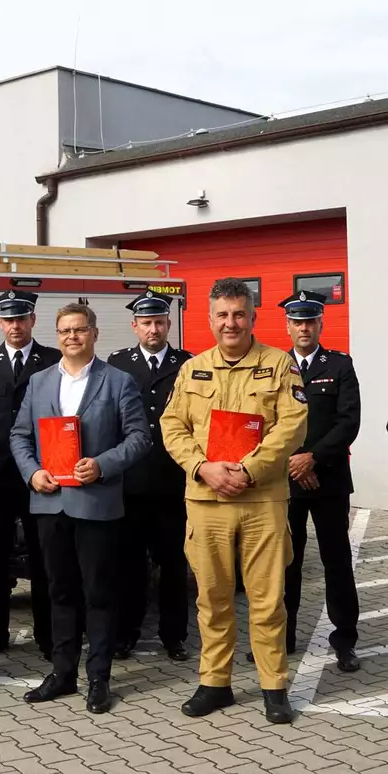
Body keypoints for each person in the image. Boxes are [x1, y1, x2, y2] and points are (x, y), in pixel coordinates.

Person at [160, 278, 308, 724]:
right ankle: (215, 683)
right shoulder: (193, 369)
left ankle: (273, 686)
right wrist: (203, 467)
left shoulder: (279, 365)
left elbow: (293, 425)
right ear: (209, 319)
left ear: (252, 318)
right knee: (213, 598)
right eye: (222, 315)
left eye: (239, 314)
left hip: (262, 500)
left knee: (267, 600)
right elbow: (172, 426)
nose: (231, 323)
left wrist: (248, 470)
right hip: (206, 502)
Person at [10, 303, 151, 714]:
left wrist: (103, 465)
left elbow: (140, 438)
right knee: (59, 592)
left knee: (100, 594)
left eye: (79, 330)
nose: (72, 337)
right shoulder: (38, 383)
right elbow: (19, 435)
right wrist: (32, 472)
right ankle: (63, 673)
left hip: (95, 504)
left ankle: (99, 679)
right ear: (57, 335)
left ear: (94, 334)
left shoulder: (118, 382)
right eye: (65, 331)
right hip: (50, 503)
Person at [0, 289, 62, 661]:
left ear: (33, 321)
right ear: (0, 323)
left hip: (41, 476)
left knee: (44, 559)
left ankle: (48, 635)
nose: (15, 326)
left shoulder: (54, 361)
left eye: (21, 318)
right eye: (8, 320)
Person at [277, 290, 361, 672]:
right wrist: (294, 464)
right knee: (285, 562)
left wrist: (312, 458)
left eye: (310, 321)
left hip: (328, 481)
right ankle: (284, 636)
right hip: (287, 482)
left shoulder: (340, 364)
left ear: (320, 324)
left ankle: (345, 641)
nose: (304, 328)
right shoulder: (275, 366)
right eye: (297, 321)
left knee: (337, 561)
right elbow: (269, 422)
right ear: (288, 326)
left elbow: (348, 421)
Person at [107, 292, 194, 663]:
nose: (153, 328)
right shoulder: (117, 364)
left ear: (168, 325)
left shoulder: (188, 363)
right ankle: (126, 633)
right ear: (135, 327)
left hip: (173, 481)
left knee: (173, 565)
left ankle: (174, 636)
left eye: (159, 321)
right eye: (146, 322)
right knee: (129, 566)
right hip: (131, 482)